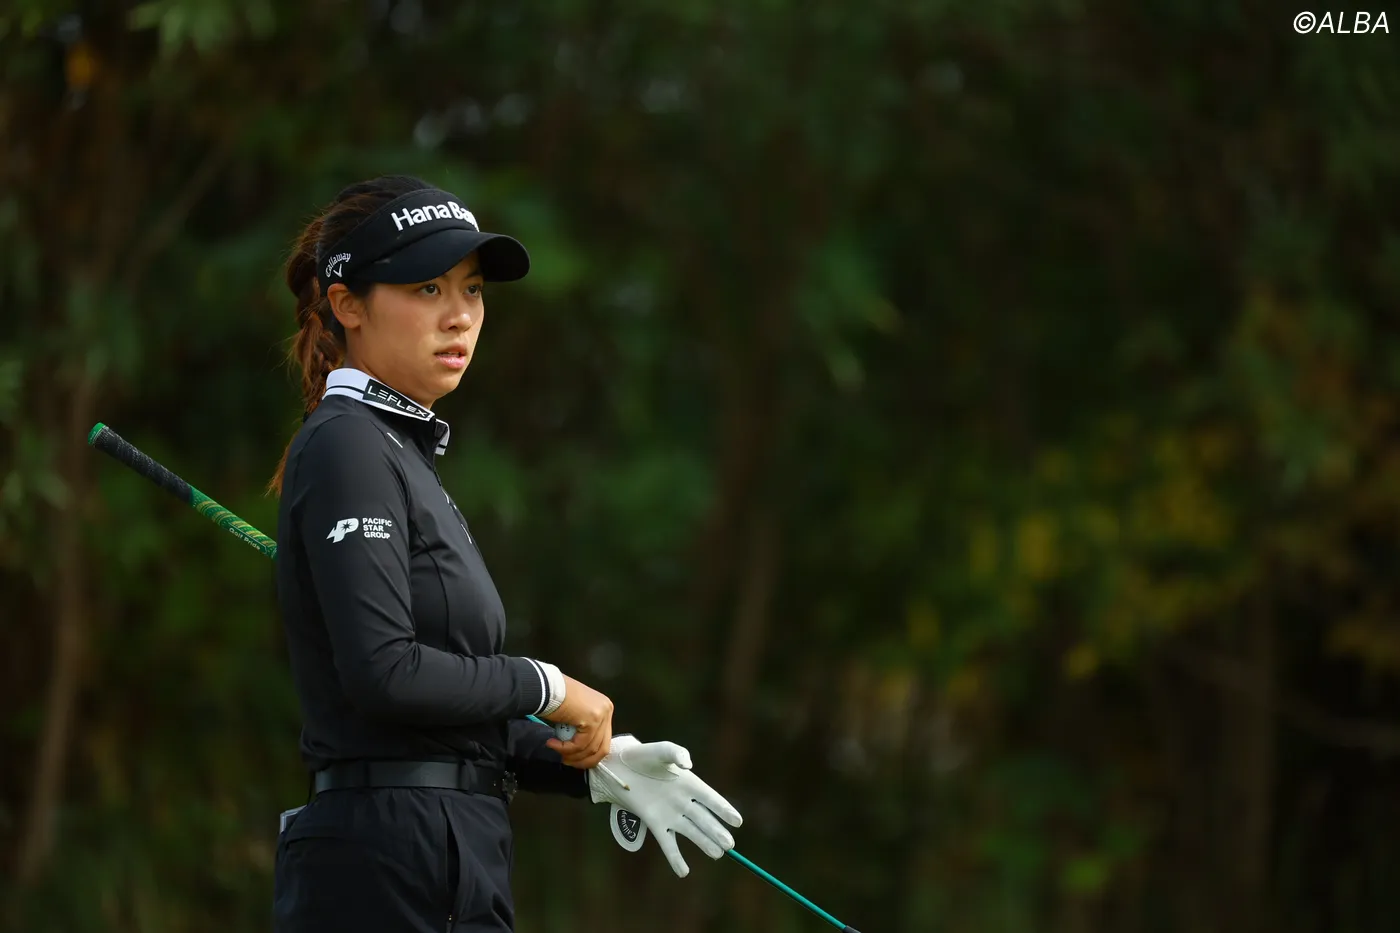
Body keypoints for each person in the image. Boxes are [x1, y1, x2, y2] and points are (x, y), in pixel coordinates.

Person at [266, 175, 742, 932]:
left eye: (473, 290)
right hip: (385, 867)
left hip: (445, 854)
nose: (459, 315)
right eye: (427, 288)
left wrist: (593, 767)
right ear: (348, 303)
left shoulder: (397, 450)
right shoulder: (348, 444)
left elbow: (443, 716)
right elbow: (385, 673)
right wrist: (547, 685)